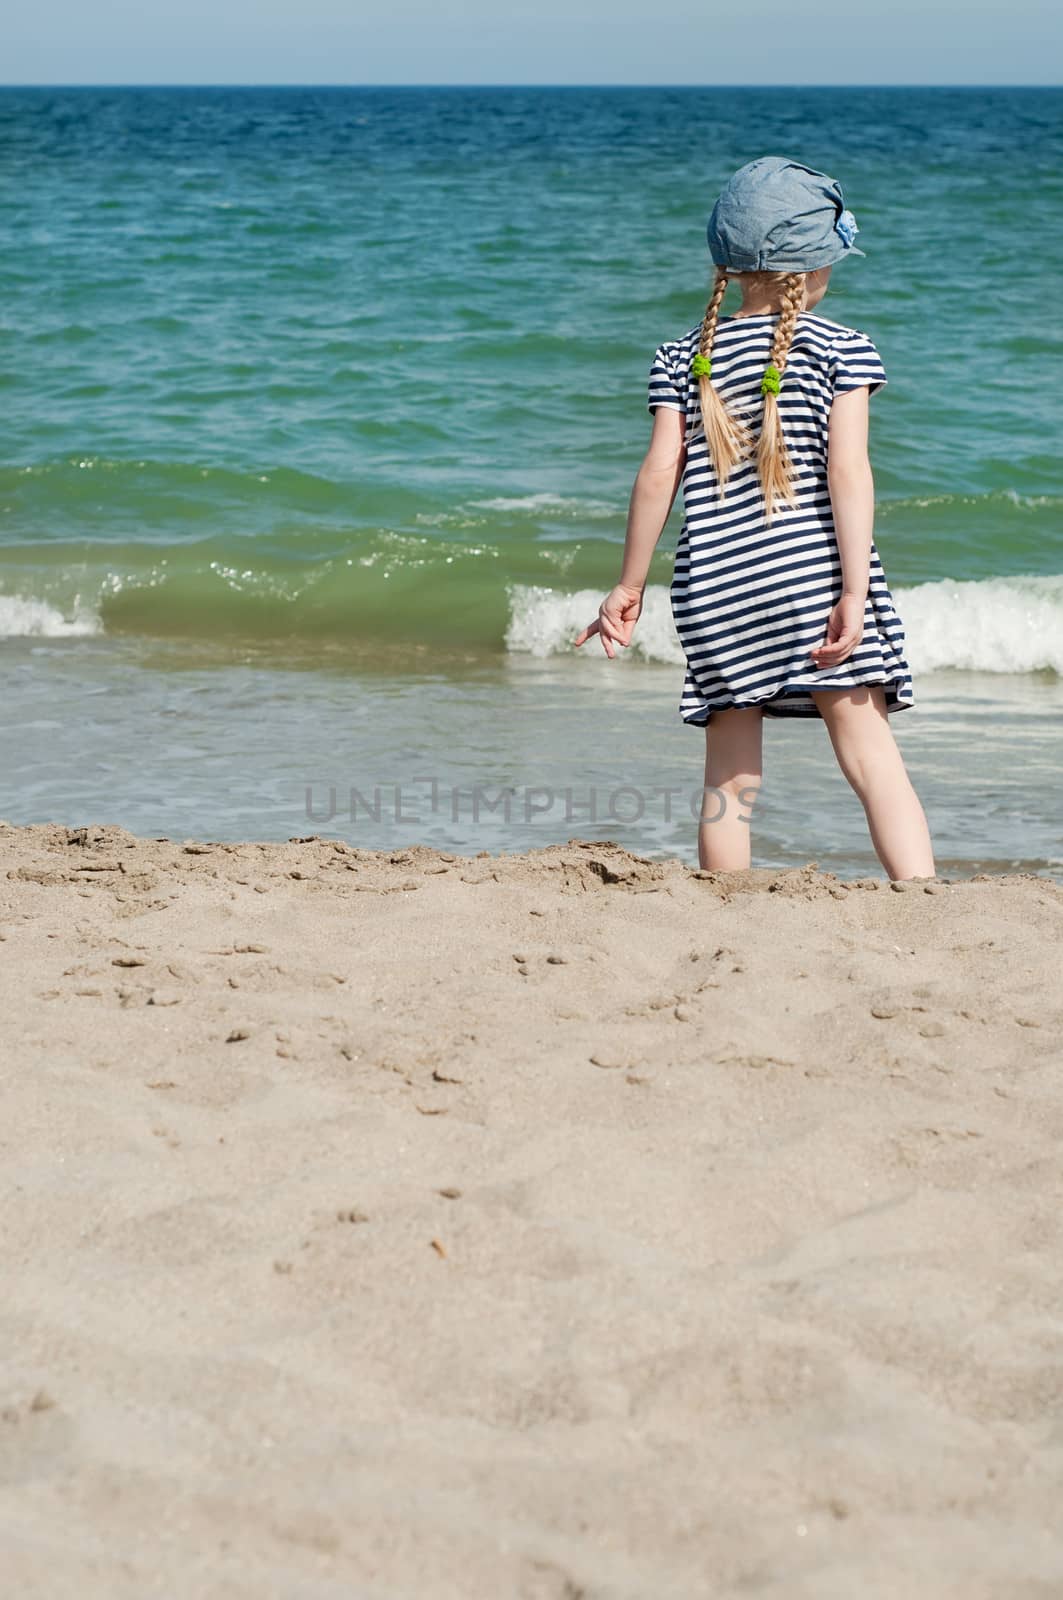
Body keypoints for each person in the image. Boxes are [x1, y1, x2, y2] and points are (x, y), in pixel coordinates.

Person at [574, 155, 935, 882]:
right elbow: (847, 474)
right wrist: (855, 593)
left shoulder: (683, 359)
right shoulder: (841, 348)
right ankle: (919, 892)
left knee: (729, 777)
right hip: (811, 579)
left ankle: (724, 897)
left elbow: (656, 477)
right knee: (868, 753)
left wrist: (628, 586)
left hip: (713, 587)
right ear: (814, 266)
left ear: (730, 265)